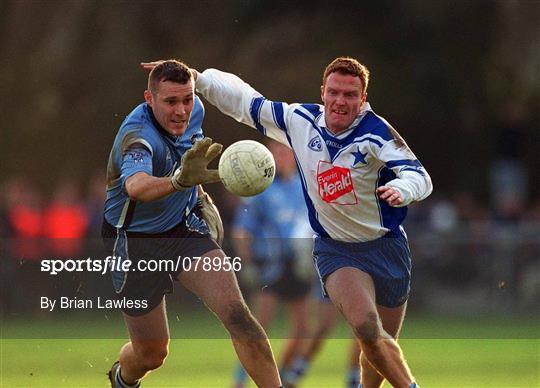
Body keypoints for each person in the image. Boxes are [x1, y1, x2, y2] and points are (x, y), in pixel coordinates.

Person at [143, 56, 432, 387]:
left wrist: (401, 188)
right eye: (334, 92)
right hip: (337, 250)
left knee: (379, 345)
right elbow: (246, 102)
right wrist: (200, 79)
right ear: (323, 92)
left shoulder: (377, 134)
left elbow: (418, 174)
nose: (340, 101)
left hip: (388, 246)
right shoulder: (300, 120)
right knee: (366, 326)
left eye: (350, 95)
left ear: (363, 99)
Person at [102, 60, 281, 388]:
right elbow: (136, 187)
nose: (182, 110)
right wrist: (183, 182)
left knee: (238, 316)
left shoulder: (195, 107)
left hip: (184, 230)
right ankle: (122, 377)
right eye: (170, 102)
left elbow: (186, 160)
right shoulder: (137, 134)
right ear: (149, 99)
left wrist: (199, 196)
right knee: (152, 353)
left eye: (187, 99)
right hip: (132, 241)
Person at [231, 141, 313, 387]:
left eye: (286, 152)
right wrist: (247, 263)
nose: (282, 157)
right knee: (258, 325)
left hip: (300, 264)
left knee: (302, 328)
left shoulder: (306, 186)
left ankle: (282, 378)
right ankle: (240, 380)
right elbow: (242, 230)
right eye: (276, 153)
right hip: (270, 265)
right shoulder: (259, 188)